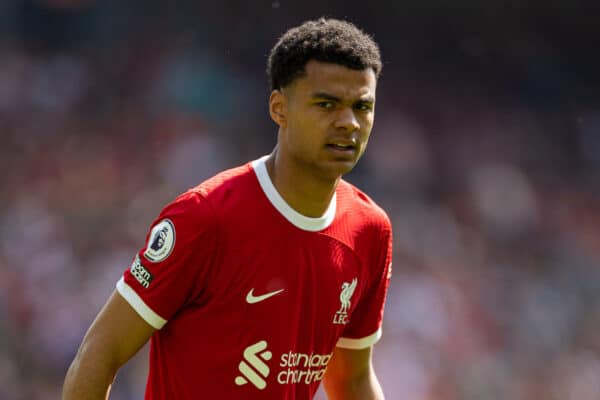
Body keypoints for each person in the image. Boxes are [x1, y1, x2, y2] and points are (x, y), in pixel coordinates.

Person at [63, 17, 392, 400]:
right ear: (279, 108)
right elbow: (99, 353)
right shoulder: (206, 217)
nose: (348, 122)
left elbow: (350, 380)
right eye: (326, 104)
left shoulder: (370, 230)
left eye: (362, 106)